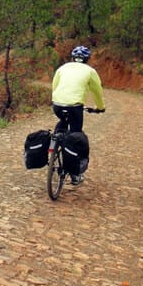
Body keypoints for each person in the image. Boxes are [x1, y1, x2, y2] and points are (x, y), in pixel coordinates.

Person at [51, 45, 106, 184]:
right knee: (76, 135)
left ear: (72, 57)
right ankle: (75, 174)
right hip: (75, 107)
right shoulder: (90, 71)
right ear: (87, 59)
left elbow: (55, 85)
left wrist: (57, 99)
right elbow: (97, 91)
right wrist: (100, 107)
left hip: (57, 104)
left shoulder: (63, 68)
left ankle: (53, 146)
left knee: (62, 122)